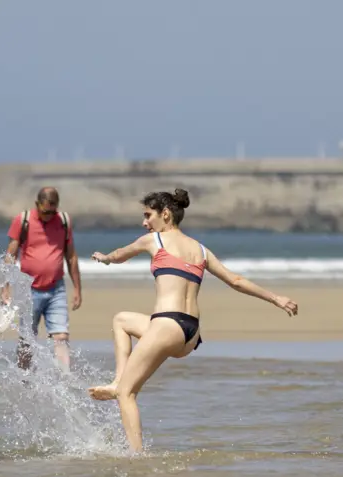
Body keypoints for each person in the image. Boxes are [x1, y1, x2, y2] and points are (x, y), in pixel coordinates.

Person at [87, 188, 299, 453]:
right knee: (122, 320)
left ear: (165, 214)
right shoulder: (201, 250)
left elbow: (120, 254)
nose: (144, 222)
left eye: (148, 215)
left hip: (166, 326)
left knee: (126, 394)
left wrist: (105, 258)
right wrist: (276, 298)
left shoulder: (153, 241)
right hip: (190, 334)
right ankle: (118, 380)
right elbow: (235, 280)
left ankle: (136, 457)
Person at [0, 187, 82, 371]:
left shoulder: (63, 221)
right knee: (27, 339)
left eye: (53, 211)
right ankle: (24, 378)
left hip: (56, 289)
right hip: (29, 289)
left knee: (61, 337)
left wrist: (77, 288)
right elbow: (10, 255)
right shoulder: (23, 220)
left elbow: (71, 257)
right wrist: (5, 287)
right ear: (37, 205)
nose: (49, 216)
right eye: (45, 212)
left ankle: (64, 378)